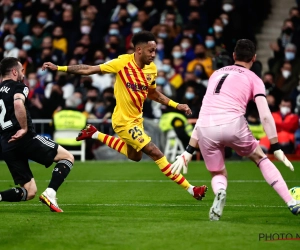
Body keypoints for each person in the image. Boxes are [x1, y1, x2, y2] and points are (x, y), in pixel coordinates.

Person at [42, 31, 207, 200]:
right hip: (123, 121)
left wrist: (176, 105)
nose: (154, 54)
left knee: (136, 156)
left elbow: (153, 94)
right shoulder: (122, 62)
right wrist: (59, 68)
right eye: (151, 51)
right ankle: (192, 189)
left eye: (155, 50)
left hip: (137, 121)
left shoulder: (152, 69)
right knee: (155, 152)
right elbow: (89, 69)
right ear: (139, 50)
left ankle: (95, 133)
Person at [170, 39, 300, 220]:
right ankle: (291, 202)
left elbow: (205, 111)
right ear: (254, 58)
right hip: (233, 124)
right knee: (260, 158)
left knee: (217, 173)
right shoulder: (254, 78)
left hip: (206, 127)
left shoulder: (215, 75)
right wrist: (276, 146)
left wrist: (189, 150)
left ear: (233, 56)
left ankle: (221, 192)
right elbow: (264, 115)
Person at [0, 57, 74, 213]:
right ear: (14, 71)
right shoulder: (19, 87)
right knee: (67, 157)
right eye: (21, 70)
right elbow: (18, 103)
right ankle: (50, 193)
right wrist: (24, 128)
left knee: (29, 191)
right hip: (24, 139)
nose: (23, 73)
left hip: (6, 144)